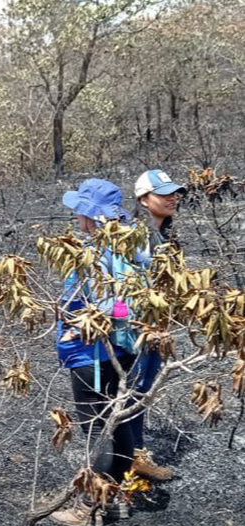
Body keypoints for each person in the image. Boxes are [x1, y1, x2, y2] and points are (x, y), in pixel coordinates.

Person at [51, 179, 138, 526]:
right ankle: (115, 500)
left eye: (80, 211)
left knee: (97, 430)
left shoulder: (98, 253)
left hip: (94, 355)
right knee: (119, 424)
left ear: (93, 215)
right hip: (125, 350)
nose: (75, 217)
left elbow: (100, 305)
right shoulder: (131, 243)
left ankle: (90, 507)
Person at [125, 169, 187, 481]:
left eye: (174, 192)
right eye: (164, 194)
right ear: (144, 200)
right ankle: (128, 459)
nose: (172, 198)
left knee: (144, 390)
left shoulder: (169, 234)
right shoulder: (134, 235)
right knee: (133, 390)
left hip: (159, 326)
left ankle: (137, 454)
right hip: (137, 327)